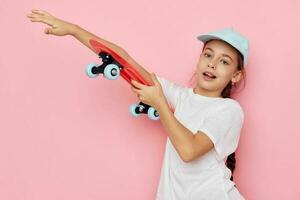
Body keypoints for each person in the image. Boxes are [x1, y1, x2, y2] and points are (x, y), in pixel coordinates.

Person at [27, 9, 248, 200]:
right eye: (208, 55)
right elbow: (124, 61)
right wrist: (73, 30)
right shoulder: (181, 97)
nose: (212, 63)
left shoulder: (229, 111)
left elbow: (189, 151)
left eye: (224, 61)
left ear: (236, 76)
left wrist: (160, 103)